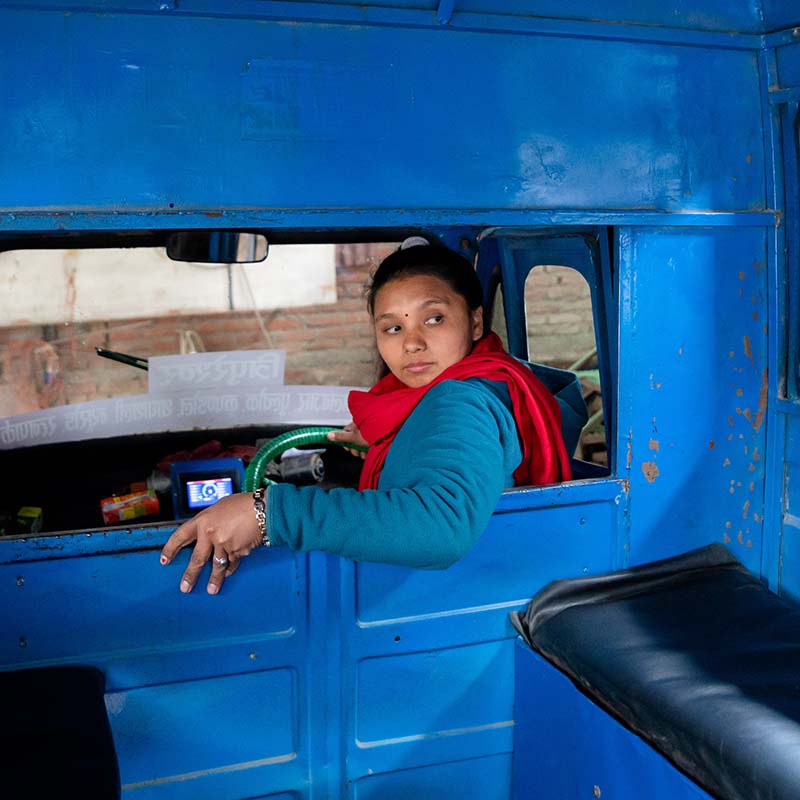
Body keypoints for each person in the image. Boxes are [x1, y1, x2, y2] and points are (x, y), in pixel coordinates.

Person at [160, 242, 572, 594]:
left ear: (476, 320)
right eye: (392, 328)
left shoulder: (460, 401)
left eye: (434, 318)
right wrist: (393, 447)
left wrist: (268, 512)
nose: (412, 342)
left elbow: (441, 526)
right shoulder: (475, 386)